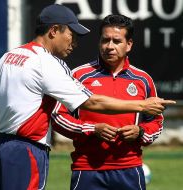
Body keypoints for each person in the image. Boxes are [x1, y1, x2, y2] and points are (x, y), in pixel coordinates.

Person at [0, 4, 174, 190]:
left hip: (3, 147)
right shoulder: (48, 63)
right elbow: (91, 102)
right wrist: (140, 106)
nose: (73, 42)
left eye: (116, 41)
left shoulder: (10, 56)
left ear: (129, 44)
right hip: (30, 151)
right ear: (54, 31)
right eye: (71, 35)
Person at [51, 14, 165, 190]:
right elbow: (58, 116)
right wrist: (92, 129)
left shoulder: (143, 80)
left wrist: (140, 132)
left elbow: (156, 122)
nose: (109, 46)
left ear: (129, 45)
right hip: (87, 169)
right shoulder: (79, 76)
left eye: (116, 41)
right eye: (105, 40)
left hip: (130, 169)